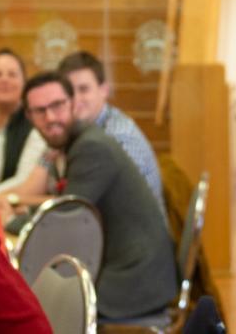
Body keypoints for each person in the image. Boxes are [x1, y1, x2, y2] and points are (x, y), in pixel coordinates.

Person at [0, 72, 178, 320]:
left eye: (57, 105)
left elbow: (63, 226)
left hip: (133, 281)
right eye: (40, 111)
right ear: (29, 117)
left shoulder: (92, 147)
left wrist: (10, 222)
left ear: (73, 103)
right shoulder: (77, 142)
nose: (50, 118)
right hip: (125, 268)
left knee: (34, 305)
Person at [57, 51, 165, 219]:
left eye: (84, 89)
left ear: (104, 90)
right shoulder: (83, 131)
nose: (76, 99)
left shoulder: (116, 136)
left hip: (131, 240)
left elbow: (73, 209)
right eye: (69, 91)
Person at [0, 49, 46, 192]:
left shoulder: (35, 123)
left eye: (12, 74)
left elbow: (24, 179)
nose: (4, 80)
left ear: (25, 82)